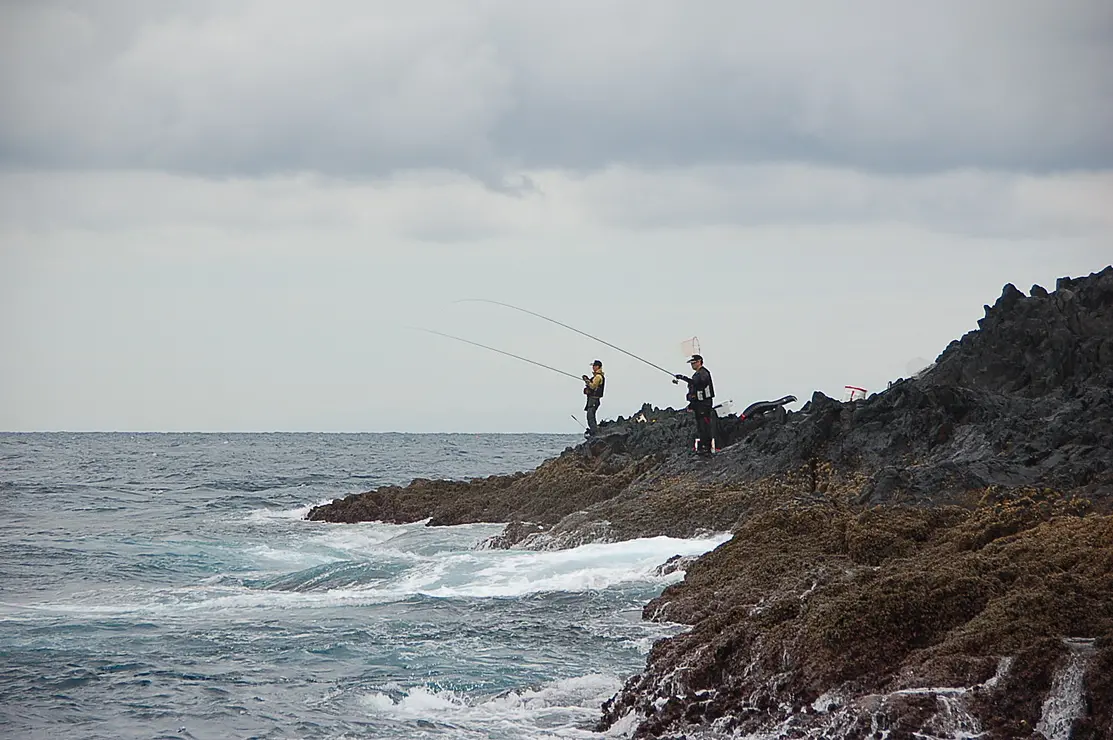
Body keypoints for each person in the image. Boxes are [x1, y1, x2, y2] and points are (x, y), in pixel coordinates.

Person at [675, 354, 716, 456]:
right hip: (699, 404)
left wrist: (683, 378)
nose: (692, 365)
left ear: (699, 362)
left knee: (704, 425)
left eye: (693, 363)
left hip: (704, 404)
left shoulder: (704, 373)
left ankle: (706, 447)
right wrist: (692, 404)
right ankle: (703, 446)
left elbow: (698, 383)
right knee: (700, 425)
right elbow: (694, 387)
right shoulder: (697, 374)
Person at [582, 360, 605, 436]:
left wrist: (586, 381)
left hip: (594, 400)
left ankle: (594, 432)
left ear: (598, 366)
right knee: (591, 416)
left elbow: (592, 386)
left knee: (590, 416)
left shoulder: (598, 377)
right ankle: (594, 431)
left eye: (594, 366)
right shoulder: (596, 376)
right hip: (593, 399)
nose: (593, 367)